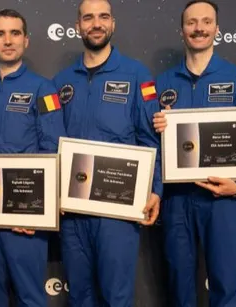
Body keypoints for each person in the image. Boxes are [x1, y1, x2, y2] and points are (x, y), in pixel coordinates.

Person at [50, 0, 162, 305]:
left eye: (103, 17)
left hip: (118, 209)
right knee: (80, 296)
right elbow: (50, 143)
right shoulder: (60, 82)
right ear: (78, 26)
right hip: (73, 211)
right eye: (88, 18)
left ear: (113, 23)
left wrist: (155, 188)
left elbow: (149, 138)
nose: (96, 24)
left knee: (117, 297)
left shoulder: (137, 75)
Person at [148, 1, 236, 306]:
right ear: (182, 30)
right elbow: (150, 143)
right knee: (179, 284)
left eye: (206, 22)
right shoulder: (162, 83)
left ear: (217, 29)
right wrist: (157, 126)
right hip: (177, 198)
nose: (199, 28)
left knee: (227, 282)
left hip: (222, 199)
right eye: (192, 22)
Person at [0, 9, 67, 307]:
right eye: (0, 34)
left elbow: (53, 149)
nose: (7, 40)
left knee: (30, 297)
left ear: (26, 40)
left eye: (15, 33)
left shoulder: (43, 89)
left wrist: (37, 211)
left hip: (24, 216)